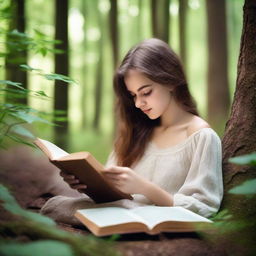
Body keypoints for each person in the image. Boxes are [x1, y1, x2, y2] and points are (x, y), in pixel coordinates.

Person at [40, 38, 223, 224]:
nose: (138, 103)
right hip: (122, 211)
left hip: (157, 217)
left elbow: (204, 207)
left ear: (170, 82)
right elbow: (111, 193)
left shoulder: (201, 136)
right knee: (58, 205)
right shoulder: (136, 131)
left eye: (146, 92)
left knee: (124, 209)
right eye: (133, 95)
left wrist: (145, 188)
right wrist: (86, 183)